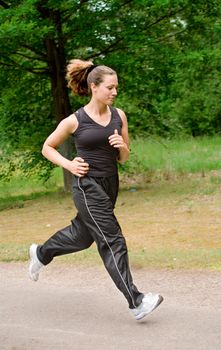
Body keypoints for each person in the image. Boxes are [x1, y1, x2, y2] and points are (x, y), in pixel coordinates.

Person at [28, 59, 163, 320]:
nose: (114, 92)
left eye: (116, 88)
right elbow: (47, 147)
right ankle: (136, 301)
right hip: (86, 185)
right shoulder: (75, 120)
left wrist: (120, 146)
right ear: (94, 87)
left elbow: (124, 158)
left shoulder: (119, 116)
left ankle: (41, 253)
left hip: (110, 184)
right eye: (110, 87)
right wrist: (69, 164)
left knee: (82, 236)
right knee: (112, 238)